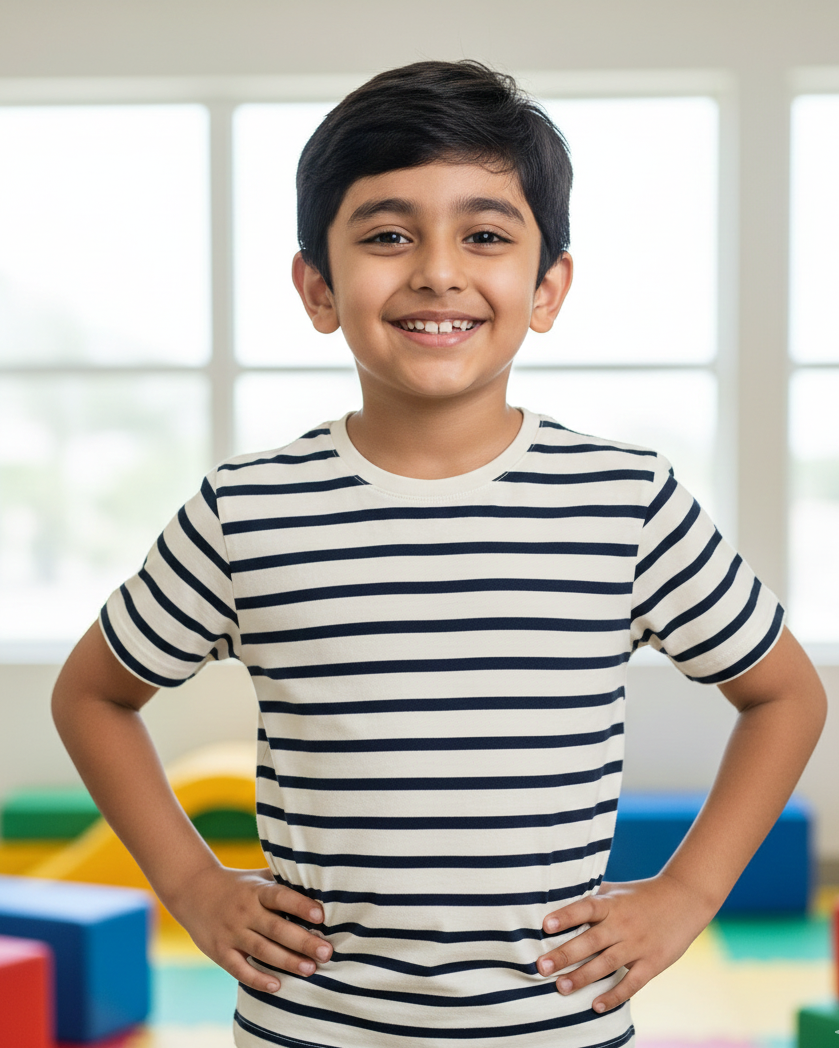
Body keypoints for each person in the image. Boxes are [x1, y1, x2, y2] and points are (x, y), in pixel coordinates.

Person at [52, 60, 826, 1048]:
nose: (436, 270)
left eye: (485, 235)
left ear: (546, 288)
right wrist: (193, 884)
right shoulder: (246, 510)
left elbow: (784, 694)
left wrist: (686, 892)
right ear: (317, 286)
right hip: (309, 1027)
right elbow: (91, 693)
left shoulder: (625, 500)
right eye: (386, 235)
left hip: (556, 1029)